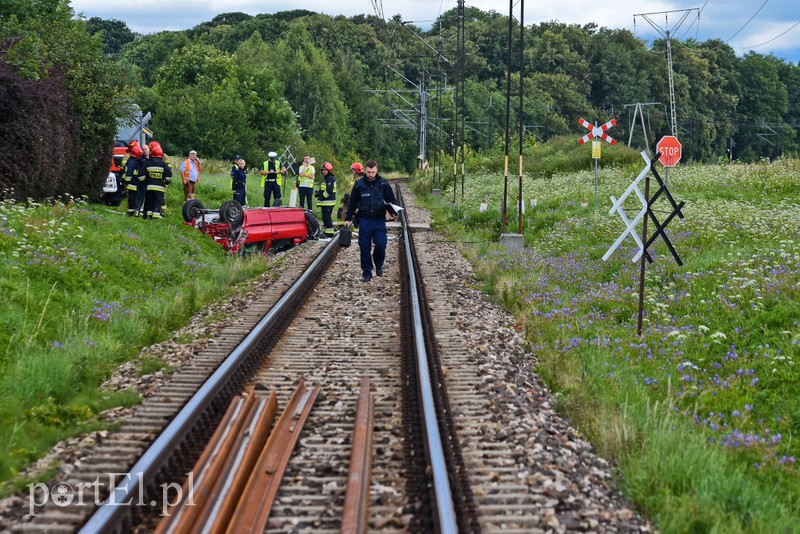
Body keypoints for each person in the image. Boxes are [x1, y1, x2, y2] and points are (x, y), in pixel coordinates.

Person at [344, 160, 397, 282]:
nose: (371, 175)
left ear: (376, 170)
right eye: (368, 172)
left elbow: (391, 200)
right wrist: (347, 218)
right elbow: (352, 203)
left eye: (373, 172)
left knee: (381, 244)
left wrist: (394, 212)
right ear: (365, 170)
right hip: (365, 220)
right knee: (364, 247)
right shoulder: (359, 185)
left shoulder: (383, 183)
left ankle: (378, 264)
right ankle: (366, 273)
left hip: (379, 220)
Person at [142, 141, 172, 219]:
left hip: (149, 186)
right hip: (160, 186)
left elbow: (141, 173)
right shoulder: (162, 163)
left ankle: (149, 214)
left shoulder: (149, 162)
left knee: (150, 200)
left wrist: (145, 181)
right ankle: (156, 214)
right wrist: (166, 182)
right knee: (158, 200)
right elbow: (169, 173)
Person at [316, 162, 336, 237]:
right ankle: (326, 233)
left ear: (329, 170)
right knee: (325, 218)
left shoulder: (330, 179)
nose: (323, 171)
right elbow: (324, 189)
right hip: (326, 203)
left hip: (328, 202)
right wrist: (319, 193)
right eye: (323, 170)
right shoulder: (326, 178)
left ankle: (329, 234)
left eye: (325, 170)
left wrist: (322, 196)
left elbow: (329, 190)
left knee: (327, 219)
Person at [123, 141, 143, 216]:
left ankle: (134, 211)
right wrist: (127, 181)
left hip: (135, 183)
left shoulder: (133, 160)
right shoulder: (132, 162)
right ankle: (131, 212)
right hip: (133, 183)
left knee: (135, 198)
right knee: (133, 198)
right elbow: (129, 173)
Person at [137, 143, 150, 215]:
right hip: (143, 181)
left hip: (150, 181)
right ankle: (139, 209)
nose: (144, 151)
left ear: (149, 150)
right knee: (141, 196)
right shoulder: (140, 159)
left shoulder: (152, 158)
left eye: (145, 149)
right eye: (143, 149)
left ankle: (147, 210)